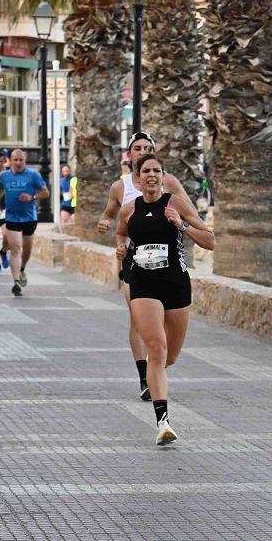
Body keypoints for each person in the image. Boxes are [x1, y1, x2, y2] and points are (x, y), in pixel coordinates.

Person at [115, 153, 215, 445]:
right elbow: (121, 234)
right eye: (145, 170)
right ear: (137, 176)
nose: (151, 175)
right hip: (143, 283)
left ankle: (155, 371)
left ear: (163, 176)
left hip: (176, 284)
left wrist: (181, 226)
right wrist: (121, 250)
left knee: (169, 356)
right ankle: (163, 422)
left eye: (156, 171)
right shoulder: (129, 209)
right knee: (157, 349)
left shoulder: (176, 203)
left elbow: (210, 240)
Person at [97, 131, 198, 402]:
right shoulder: (120, 188)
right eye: (137, 148)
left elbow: (191, 214)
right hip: (136, 260)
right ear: (129, 155)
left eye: (147, 147)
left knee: (165, 336)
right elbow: (111, 216)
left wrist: (184, 223)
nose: (142, 151)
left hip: (169, 265)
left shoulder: (170, 182)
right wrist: (109, 230)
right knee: (136, 317)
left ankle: (157, 364)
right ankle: (145, 376)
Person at [0, 150, 49, 297]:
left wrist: (32, 196)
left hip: (29, 217)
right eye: (15, 160)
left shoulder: (33, 175)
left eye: (21, 160)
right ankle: (16, 281)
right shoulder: (5, 175)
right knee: (16, 248)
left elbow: (45, 193)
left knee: (27, 250)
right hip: (12, 217)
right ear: (10, 161)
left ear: (25, 161)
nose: (18, 163)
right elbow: (1, 188)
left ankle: (22, 268)